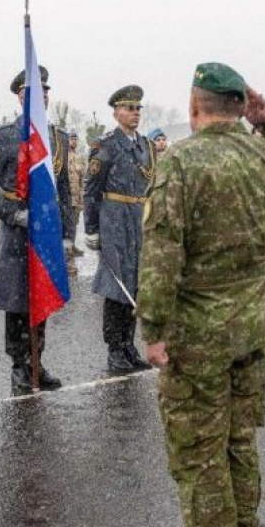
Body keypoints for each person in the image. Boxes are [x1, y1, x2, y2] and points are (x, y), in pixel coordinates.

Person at [138, 62, 265, 527]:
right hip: (251, 331)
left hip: (198, 337)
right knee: (239, 442)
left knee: (200, 453)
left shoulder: (180, 162)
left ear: (194, 105)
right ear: (241, 107)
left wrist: (153, 329)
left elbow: (162, 255)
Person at [0, 65, 72, 394]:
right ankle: (19, 365)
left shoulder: (58, 139)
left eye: (45, 90)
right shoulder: (4, 137)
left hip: (46, 231)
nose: (42, 95)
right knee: (18, 300)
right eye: (34, 91)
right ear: (20, 97)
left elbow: (64, 191)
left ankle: (37, 361)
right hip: (16, 231)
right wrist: (14, 214)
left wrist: (67, 233)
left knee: (42, 297)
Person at [83, 85, 155, 374]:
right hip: (115, 220)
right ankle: (114, 348)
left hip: (139, 221)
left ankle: (128, 345)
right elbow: (91, 190)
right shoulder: (106, 145)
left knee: (135, 282)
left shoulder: (146, 146)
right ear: (116, 113)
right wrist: (91, 229)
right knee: (117, 286)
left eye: (138, 108)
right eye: (129, 108)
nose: (135, 113)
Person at [66, 129, 86, 268]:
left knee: (74, 224)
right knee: (67, 225)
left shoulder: (79, 157)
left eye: (75, 139)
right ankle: (66, 250)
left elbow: (82, 180)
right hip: (66, 198)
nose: (74, 141)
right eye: (71, 139)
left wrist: (82, 199)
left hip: (76, 198)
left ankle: (72, 246)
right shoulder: (62, 156)